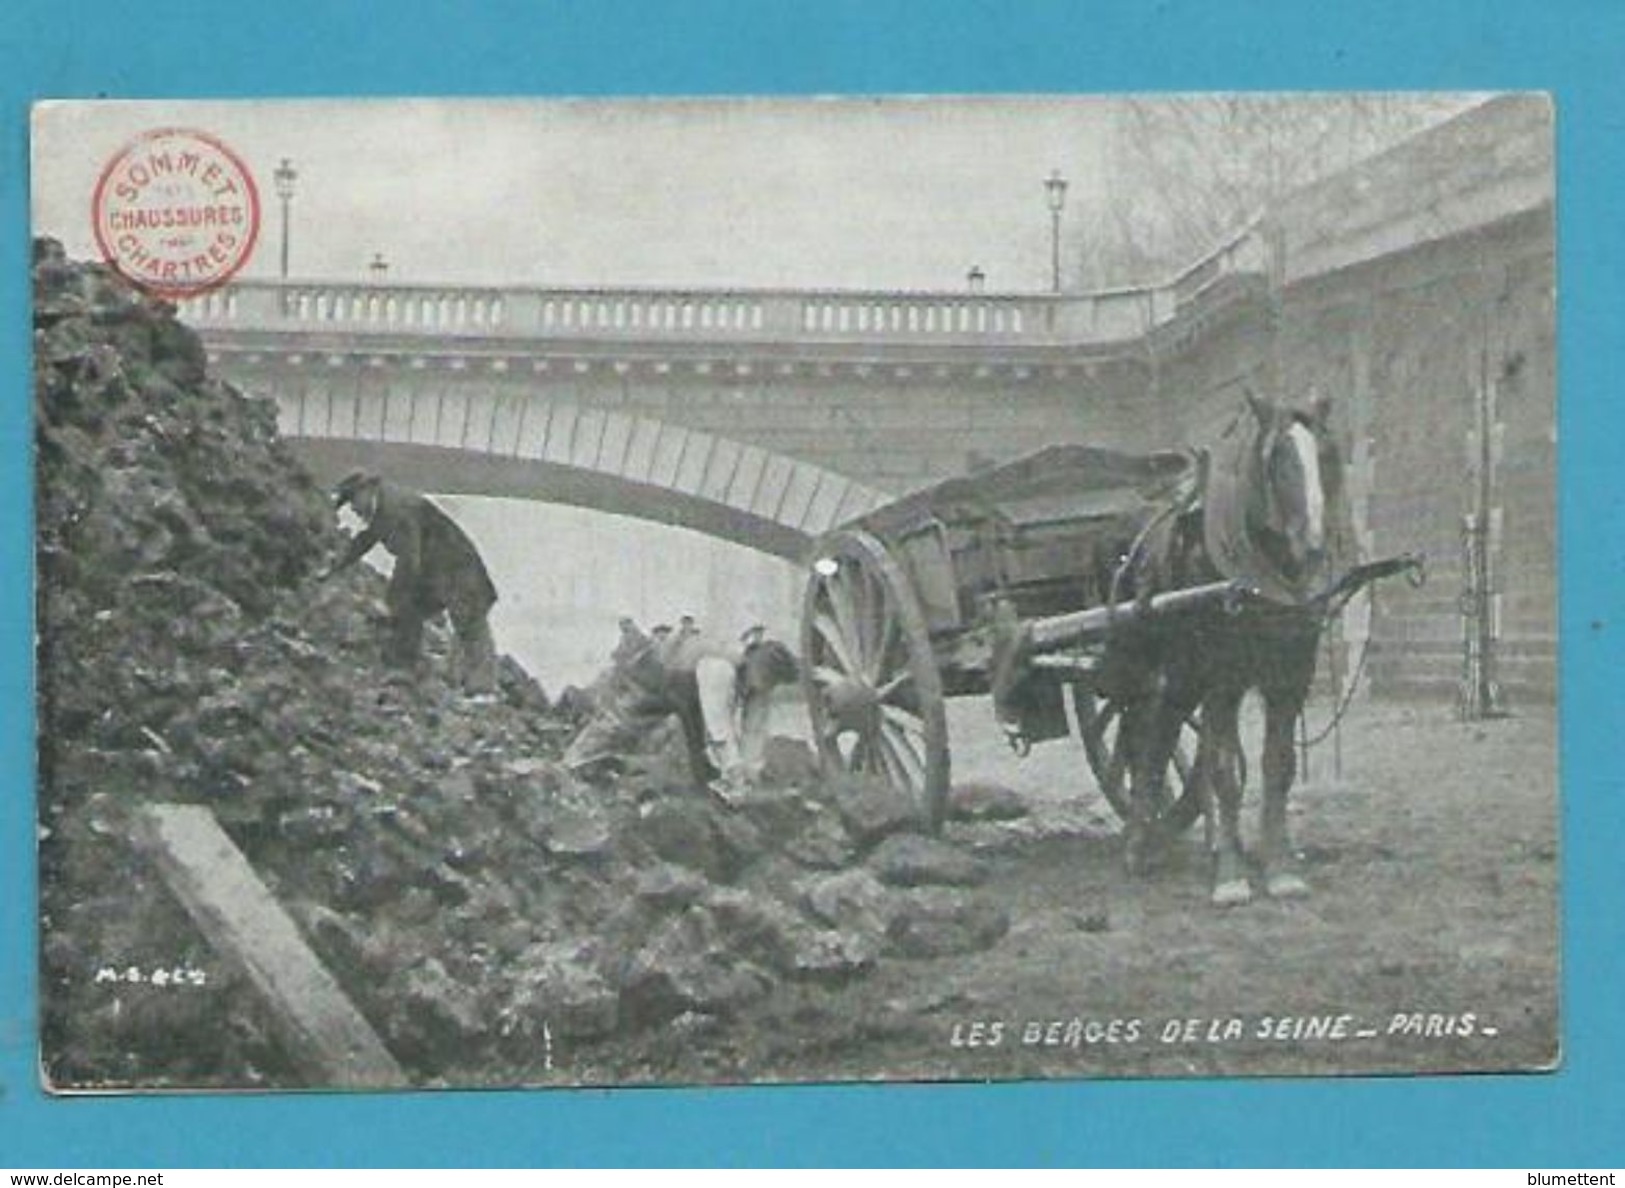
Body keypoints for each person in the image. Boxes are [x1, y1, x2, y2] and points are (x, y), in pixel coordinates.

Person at [564, 622, 799, 796]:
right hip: (659, 675)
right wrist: (734, 768)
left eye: (772, 684)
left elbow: (754, 729)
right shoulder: (721, 668)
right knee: (621, 724)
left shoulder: (759, 683)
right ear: (755, 664)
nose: (767, 687)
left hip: (691, 695)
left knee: (700, 757)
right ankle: (570, 765)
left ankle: (705, 792)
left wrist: (751, 772)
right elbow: (718, 728)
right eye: (767, 680)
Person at [324, 471, 499, 694]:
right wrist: (337, 565)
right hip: (436, 570)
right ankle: (415, 672)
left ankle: (482, 691)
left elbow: (409, 560)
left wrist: (391, 601)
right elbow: (367, 539)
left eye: (353, 502)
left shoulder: (397, 508)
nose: (354, 510)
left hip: (457, 567)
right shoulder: (385, 506)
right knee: (411, 610)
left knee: (471, 625)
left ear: (367, 491)